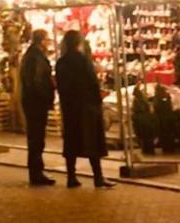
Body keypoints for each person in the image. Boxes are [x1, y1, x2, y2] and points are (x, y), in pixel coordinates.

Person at [56, 30, 114, 189]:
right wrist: (98, 96)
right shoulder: (83, 61)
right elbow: (92, 82)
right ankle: (98, 177)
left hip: (70, 108)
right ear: (79, 42)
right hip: (87, 107)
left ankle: (71, 177)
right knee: (93, 142)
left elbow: (60, 86)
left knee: (71, 143)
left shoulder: (61, 62)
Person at [19, 28, 56, 186]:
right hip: (36, 103)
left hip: (32, 102)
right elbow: (36, 81)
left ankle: (36, 171)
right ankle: (36, 173)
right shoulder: (36, 57)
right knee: (36, 139)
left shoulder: (32, 55)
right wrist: (46, 94)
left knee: (35, 138)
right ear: (42, 40)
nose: (48, 43)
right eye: (47, 39)